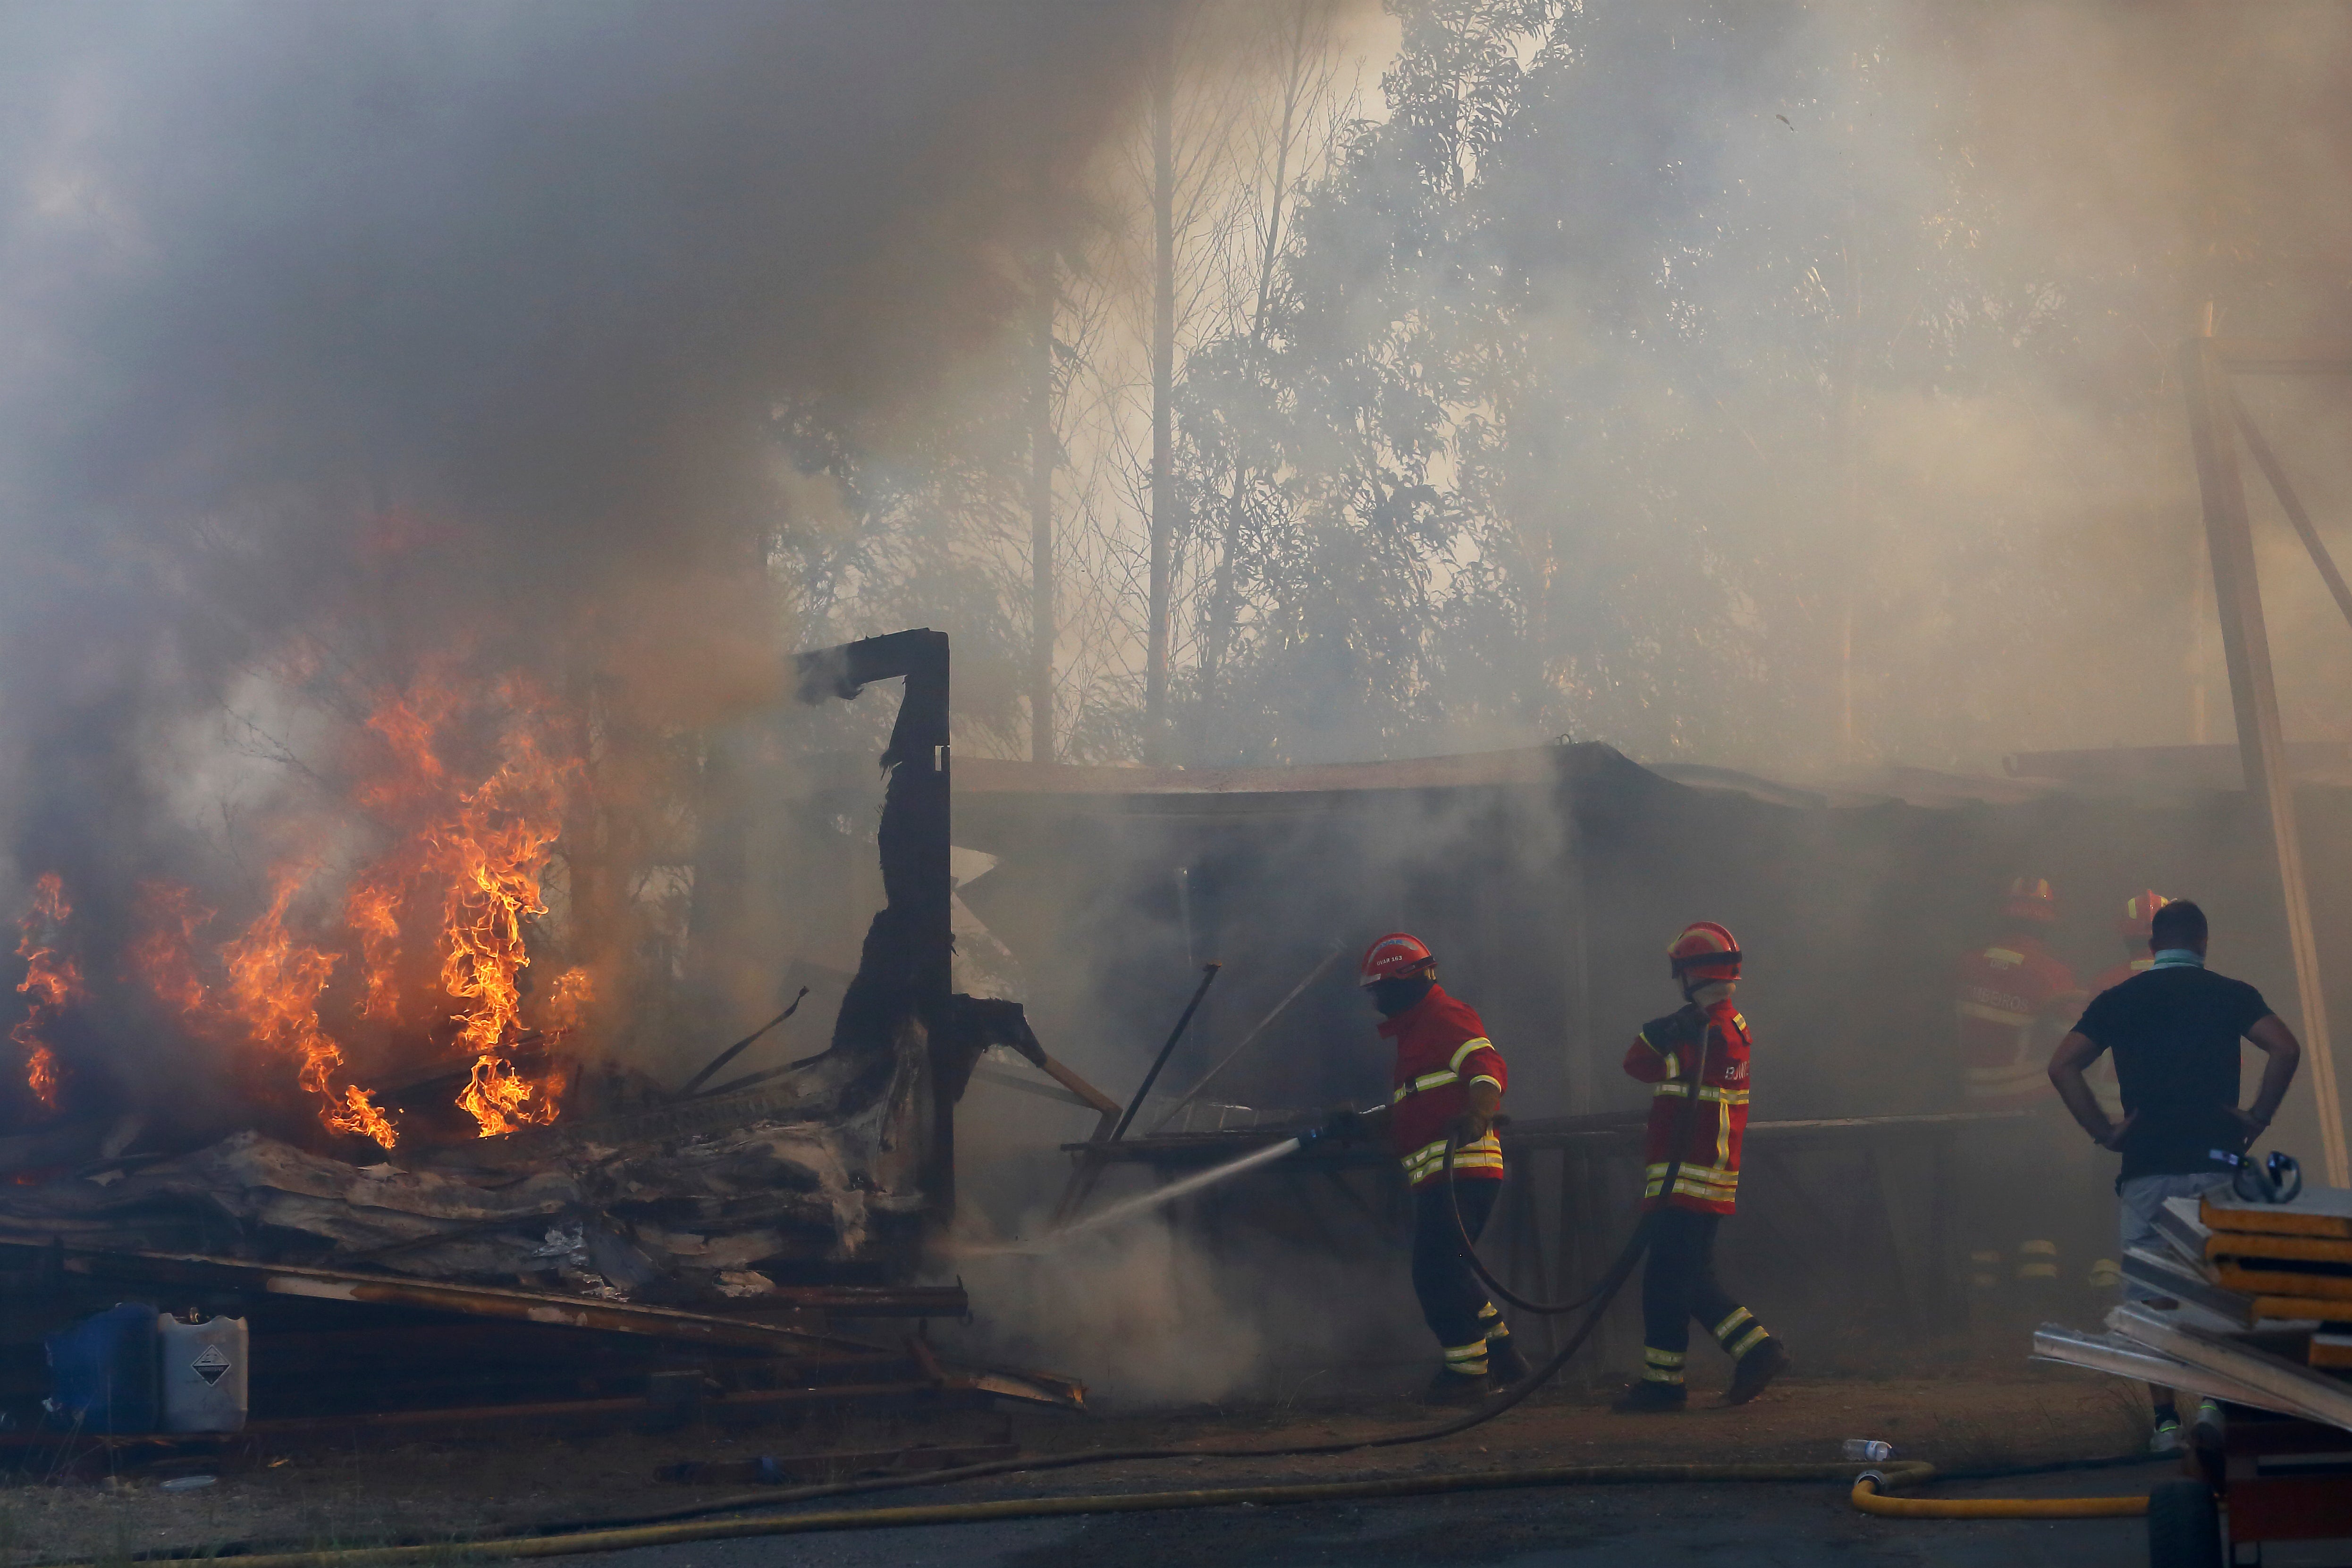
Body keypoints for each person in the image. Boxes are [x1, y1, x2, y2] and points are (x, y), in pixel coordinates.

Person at [2048, 898, 2302, 1454]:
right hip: (2217, 1165)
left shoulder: (2119, 999)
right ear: (2204, 943)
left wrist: (2104, 1130)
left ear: (2152, 948)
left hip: (2146, 1170)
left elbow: (2062, 1064)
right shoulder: (2231, 993)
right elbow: (2285, 1047)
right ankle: (2212, 1403)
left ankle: (2165, 1426)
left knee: (2149, 1302)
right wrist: (2257, 1118)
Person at [1334, 932, 1531, 1403]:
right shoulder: (1414, 1037)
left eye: (1380, 988)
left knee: (1435, 1272)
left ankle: (1467, 1374)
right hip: (1439, 1176)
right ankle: (1504, 1358)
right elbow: (1413, 1109)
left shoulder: (1447, 1016)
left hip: (1464, 1168)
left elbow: (1486, 1068)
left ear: (1407, 980)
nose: (1376, 999)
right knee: (1452, 1269)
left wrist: (1481, 1111)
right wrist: (1359, 1125)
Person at [1611, 921, 1789, 1413]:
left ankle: (1670, 1382)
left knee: (1668, 1282)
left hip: (1685, 1176)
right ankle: (1749, 1352)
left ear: (1690, 974)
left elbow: (1637, 1063)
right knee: (1689, 1277)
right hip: (1708, 1175)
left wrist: (1661, 1030)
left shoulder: (1699, 1035)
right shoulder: (1732, 1026)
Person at [1952, 875, 2088, 1302]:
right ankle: (2037, 1300)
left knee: (1984, 1205)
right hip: (2028, 1110)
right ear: (2048, 925)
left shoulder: (1966, 965)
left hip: (1972, 1109)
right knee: (2037, 1204)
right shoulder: (2051, 974)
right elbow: (2076, 1041)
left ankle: (1982, 1299)